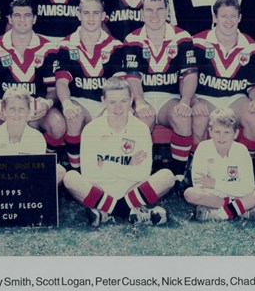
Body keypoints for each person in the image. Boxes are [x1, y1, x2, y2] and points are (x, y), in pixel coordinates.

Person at [63, 77, 175, 227]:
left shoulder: (140, 129)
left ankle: (105, 210)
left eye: (123, 101)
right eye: (112, 102)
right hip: (101, 188)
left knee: (167, 177)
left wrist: (106, 166)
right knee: (70, 178)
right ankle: (128, 210)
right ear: (103, 101)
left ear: (131, 100)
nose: (118, 108)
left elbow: (142, 174)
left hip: (131, 187)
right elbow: (89, 174)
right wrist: (129, 166)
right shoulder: (92, 129)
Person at [124, 0, 197, 180]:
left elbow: (190, 74)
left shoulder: (182, 37)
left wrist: (185, 101)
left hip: (169, 98)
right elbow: (132, 76)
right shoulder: (132, 39)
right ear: (142, 13)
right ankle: (138, 176)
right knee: (140, 123)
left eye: (159, 9)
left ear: (167, 11)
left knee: (182, 117)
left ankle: (178, 176)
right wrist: (139, 102)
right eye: (149, 10)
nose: (154, 15)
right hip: (143, 96)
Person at [0, 0, 65, 152]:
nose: (22, 20)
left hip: (35, 109)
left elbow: (53, 90)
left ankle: (45, 157)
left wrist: (47, 104)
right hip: (6, 109)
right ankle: (2, 160)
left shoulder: (48, 48)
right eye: (17, 15)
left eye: (27, 15)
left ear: (34, 19)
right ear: (9, 19)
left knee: (58, 125)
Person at [55, 0, 128, 172]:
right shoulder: (66, 44)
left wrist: (110, 107)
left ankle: (112, 169)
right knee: (74, 115)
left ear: (104, 16)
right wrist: (66, 103)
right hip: (79, 100)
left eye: (96, 13)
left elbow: (118, 83)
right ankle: (76, 171)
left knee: (116, 115)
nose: (91, 18)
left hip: (105, 102)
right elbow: (62, 81)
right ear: (78, 15)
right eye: (86, 13)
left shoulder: (115, 46)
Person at [185, 0, 255, 156]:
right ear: (214, 17)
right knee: (199, 119)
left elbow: (253, 85)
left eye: (233, 16)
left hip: (235, 98)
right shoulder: (197, 42)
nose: (229, 21)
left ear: (240, 18)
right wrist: (194, 101)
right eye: (224, 16)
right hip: (205, 96)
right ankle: (195, 165)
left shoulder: (252, 47)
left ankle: (241, 165)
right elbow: (187, 78)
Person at [184, 108, 255, 221]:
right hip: (217, 197)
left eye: (227, 132)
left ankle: (221, 213)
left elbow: (248, 187)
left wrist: (215, 184)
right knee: (190, 194)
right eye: (217, 132)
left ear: (235, 133)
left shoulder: (241, 150)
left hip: (233, 194)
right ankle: (244, 210)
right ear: (210, 132)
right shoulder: (203, 148)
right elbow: (199, 185)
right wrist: (235, 191)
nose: (221, 137)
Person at [0, 87, 66, 187]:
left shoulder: (36, 137)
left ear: (29, 111)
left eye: (21, 109)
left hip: (26, 182)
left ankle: (31, 198)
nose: (16, 114)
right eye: (12, 109)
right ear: (4, 111)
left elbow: (36, 171)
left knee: (60, 171)